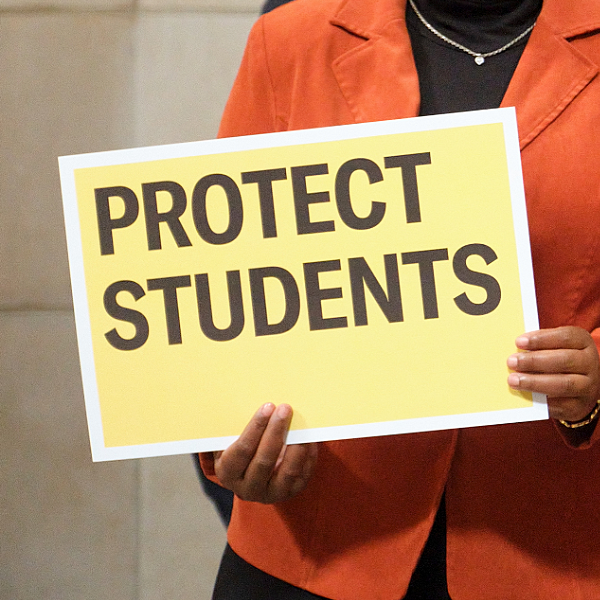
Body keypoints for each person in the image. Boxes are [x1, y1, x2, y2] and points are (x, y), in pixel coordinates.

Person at [200, 0, 600, 598]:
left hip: (551, 551)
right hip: (316, 549)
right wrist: (227, 436)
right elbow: (218, 293)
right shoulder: (286, 41)